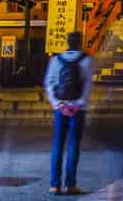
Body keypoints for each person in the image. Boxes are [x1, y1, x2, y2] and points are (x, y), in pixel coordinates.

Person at [44, 31, 94, 196]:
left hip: (61, 108)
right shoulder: (87, 59)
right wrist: (78, 105)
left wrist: (58, 104)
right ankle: (70, 185)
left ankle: (54, 185)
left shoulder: (57, 59)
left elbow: (49, 83)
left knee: (57, 145)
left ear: (67, 42)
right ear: (80, 42)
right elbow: (87, 85)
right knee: (73, 146)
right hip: (78, 110)